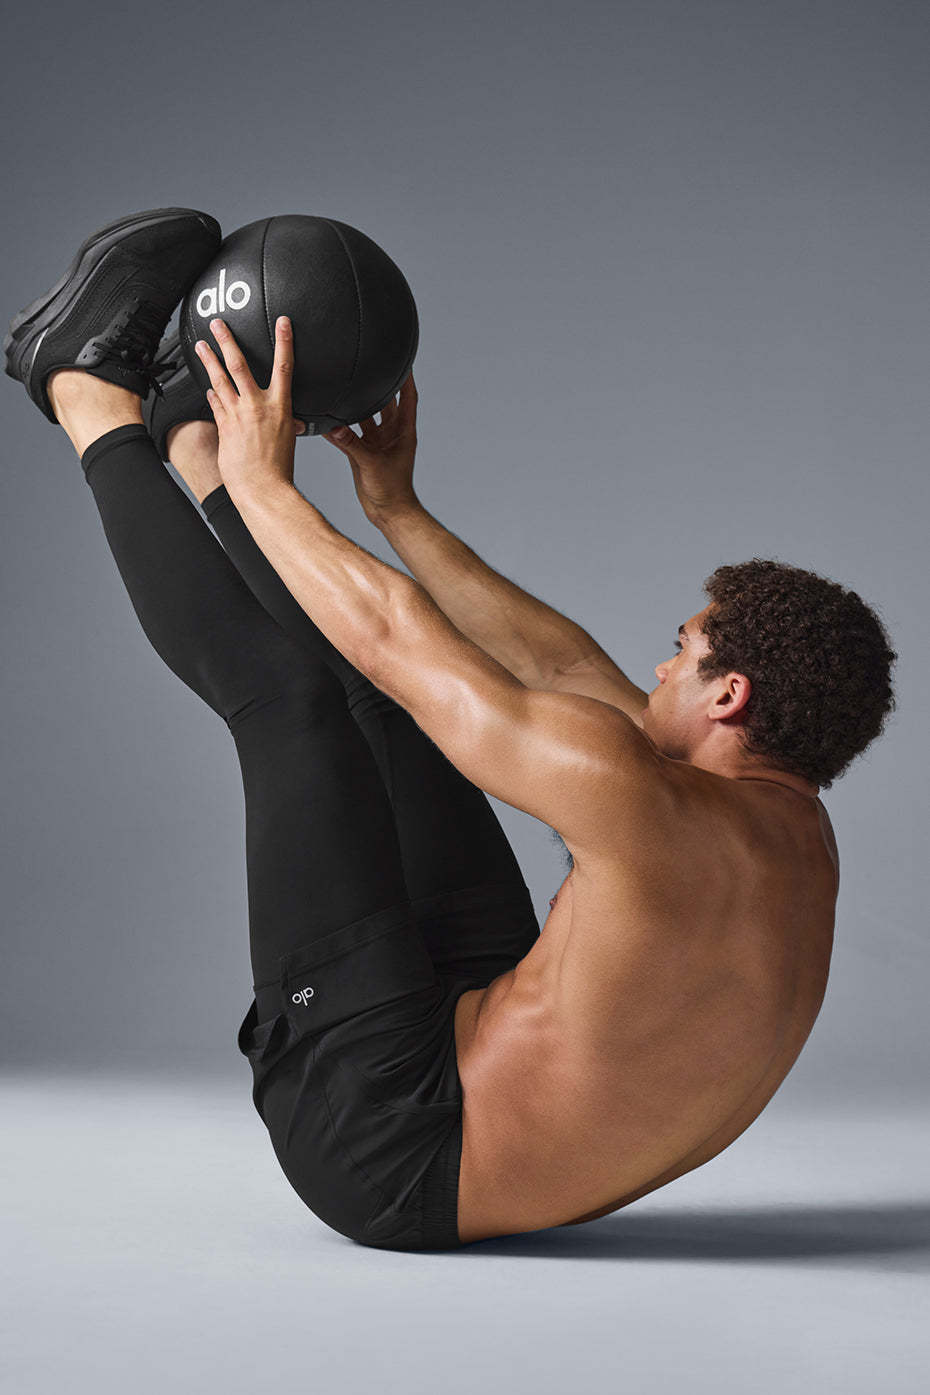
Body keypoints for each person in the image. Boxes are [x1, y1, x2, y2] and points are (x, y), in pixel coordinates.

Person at [6, 207, 897, 1250]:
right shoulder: (785, 834)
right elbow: (558, 668)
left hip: (395, 1148)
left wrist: (265, 482)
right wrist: (397, 509)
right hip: (482, 1043)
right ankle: (189, 438)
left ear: (729, 695)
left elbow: (398, 635)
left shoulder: (648, 805)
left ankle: (83, 392)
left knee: (292, 707)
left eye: (680, 648)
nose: (656, 668)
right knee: (392, 708)